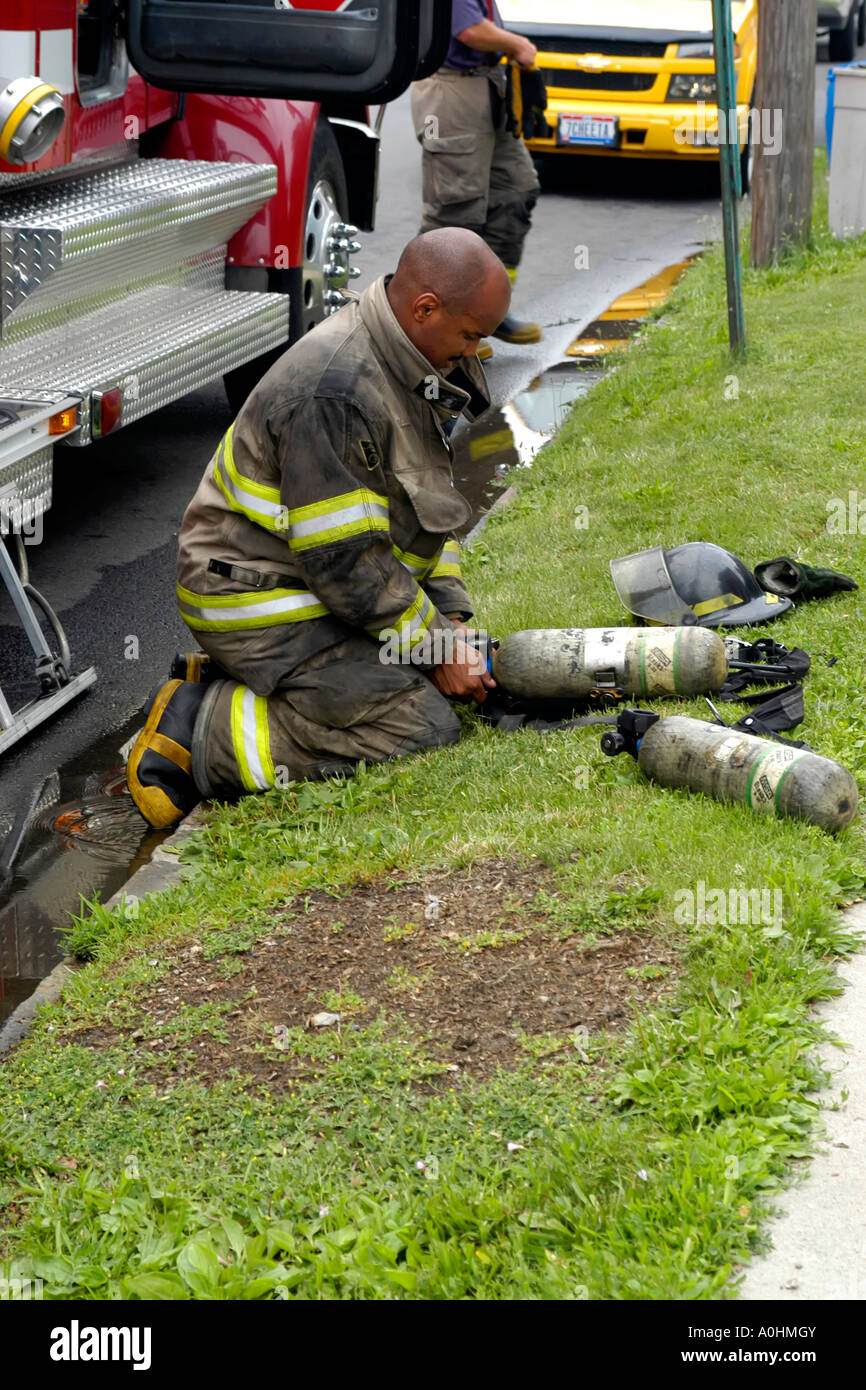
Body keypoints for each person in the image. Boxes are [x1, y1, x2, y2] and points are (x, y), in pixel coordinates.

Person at [126, 229, 508, 829]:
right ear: (425, 308)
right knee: (420, 724)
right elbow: (348, 566)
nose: (473, 354)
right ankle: (197, 726)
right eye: (470, 336)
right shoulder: (339, 391)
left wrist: (450, 620)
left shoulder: (409, 361)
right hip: (256, 597)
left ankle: (262, 683)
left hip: (309, 583)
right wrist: (435, 649)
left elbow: (429, 513)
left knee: (426, 672)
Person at [410, 0, 542, 351]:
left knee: (516, 190)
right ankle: (429, 326)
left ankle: (487, 311)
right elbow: (469, 31)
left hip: (486, 85)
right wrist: (518, 45)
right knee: (456, 211)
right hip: (451, 90)